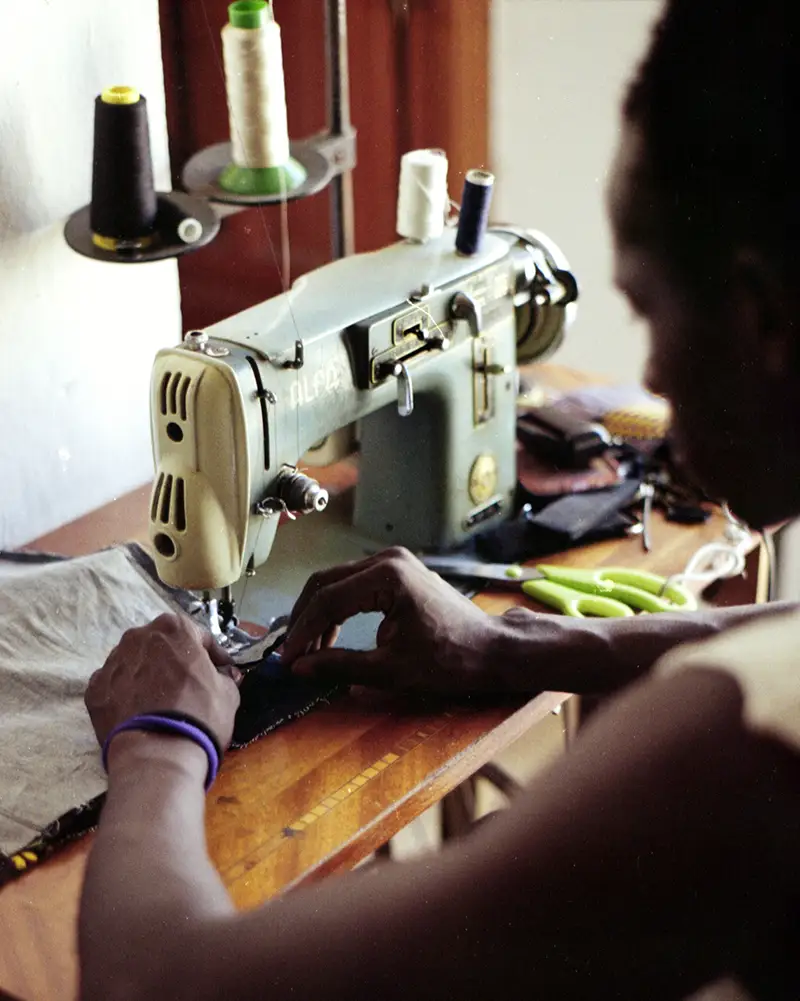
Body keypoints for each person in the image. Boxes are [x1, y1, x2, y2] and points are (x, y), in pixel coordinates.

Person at [80, 3, 800, 999]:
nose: (656, 380)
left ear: (761, 317)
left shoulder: (731, 758)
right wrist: (508, 647)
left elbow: (152, 983)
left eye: (647, 306)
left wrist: (159, 738)